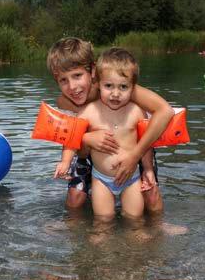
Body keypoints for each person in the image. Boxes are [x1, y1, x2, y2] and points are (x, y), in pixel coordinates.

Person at [46, 37, 174, 213]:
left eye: (77, 76)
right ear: (56, 80)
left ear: (92, 71)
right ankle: (73, 225)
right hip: (91, 152)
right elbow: (77, 147)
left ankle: (157, 225)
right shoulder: (64, 102)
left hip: (133, 147)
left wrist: (135, 157)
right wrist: (87, 138)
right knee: (75, 198)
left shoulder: (116, 87)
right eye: (63, 80)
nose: (73, 87)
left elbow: (165, 111)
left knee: (151, 195)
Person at [54, 48, 147, 220]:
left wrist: (147, 169)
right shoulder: (88, 111)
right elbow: (71, 137)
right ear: (100, 83)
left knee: (135, 220)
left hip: (131, 177)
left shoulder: (136, 110)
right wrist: (65, 162)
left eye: (123, 87)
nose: (115, 93)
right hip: (101, 179)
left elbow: (146, 143)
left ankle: (157, 225)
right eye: (109, 86)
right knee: (103, 221)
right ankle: (71, 224)